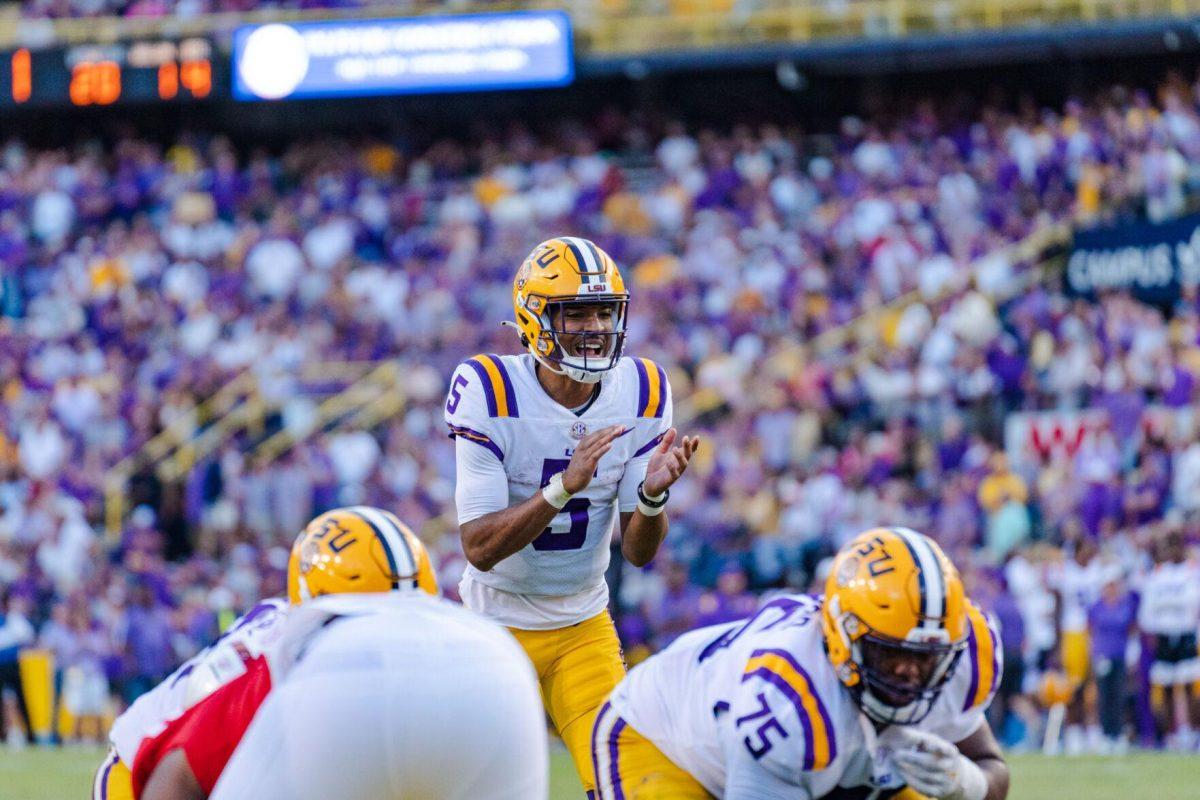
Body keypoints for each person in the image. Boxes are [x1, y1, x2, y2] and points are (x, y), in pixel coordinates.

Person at [444, 236, 699, 796]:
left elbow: (637, 551)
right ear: (535, 319)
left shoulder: (643, 388)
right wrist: (563, 488)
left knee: (631, 786)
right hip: (494, 627)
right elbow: (479, 548)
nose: (594, 327)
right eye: (575, 312)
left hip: (582, 628)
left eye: (604, 312)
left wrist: (653, 498)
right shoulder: (490, 390)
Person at [592, 527, 1009, 800]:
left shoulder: (963, 658)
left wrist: (967, 783)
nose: (909, 672)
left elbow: (993, 769)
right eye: (891, 652)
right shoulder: (786, 696)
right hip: (662, 736)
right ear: (844, 637)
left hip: (822, 756)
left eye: (924, 658)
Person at [94, 506, 439, 800]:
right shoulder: (274, 669)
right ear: (318, 612)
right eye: (371, 618)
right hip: (142, 770)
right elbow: (179, 775)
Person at [1137, 529, 1200, 750]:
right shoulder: (1157, 575)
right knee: (1166, 687)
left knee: (1191, 685)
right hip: (1163, 636)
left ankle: (1192, 733)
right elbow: (1148, 610)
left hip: (1185, 635)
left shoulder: (1192, 572)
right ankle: (1170, 735)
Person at [1086, 575, 1137, 752]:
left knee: (1119, 695)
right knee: (1104, 696)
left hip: (1119, 655)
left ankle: (1118, 733)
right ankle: (1106, 733)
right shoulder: (1097, 607)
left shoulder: (1124, 607)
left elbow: (1130, 630)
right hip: (1102, 655)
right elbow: (1091, 630)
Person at [0, 592, 35, 747]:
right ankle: (4, 734)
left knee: (21, 699)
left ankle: (30, 734)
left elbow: (27, 636)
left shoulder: (13, 618)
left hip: (12, 665)